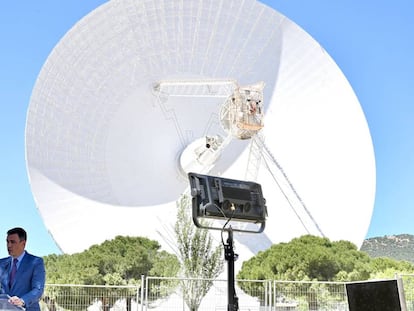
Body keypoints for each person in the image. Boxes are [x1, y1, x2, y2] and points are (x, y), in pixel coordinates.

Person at [0, 227, 46, 311]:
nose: (9, 245)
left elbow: (38, 289)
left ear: (23, 243)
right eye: (7, 241)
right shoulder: (1, 263)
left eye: (13, 242)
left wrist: (22, 301)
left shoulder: (36, 262)